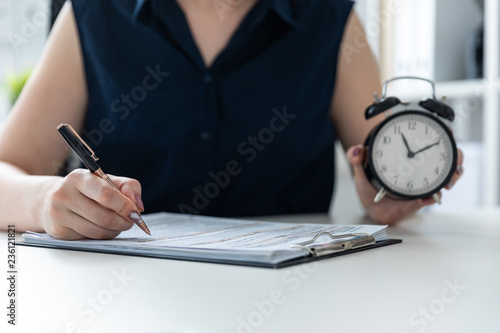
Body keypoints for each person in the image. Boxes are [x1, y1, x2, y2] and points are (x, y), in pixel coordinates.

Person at [0, 0, 463, 240]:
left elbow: (379, 169)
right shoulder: (94, 13)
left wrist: (383, 198)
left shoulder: (331, 19)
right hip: (122, 297)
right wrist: (44, 203)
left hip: (298, 297)